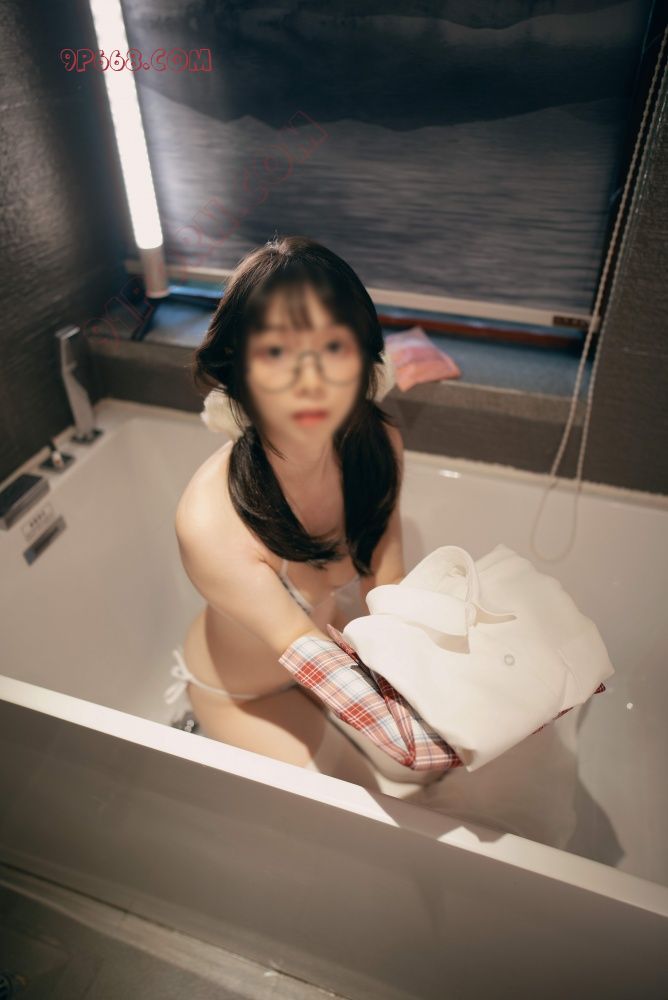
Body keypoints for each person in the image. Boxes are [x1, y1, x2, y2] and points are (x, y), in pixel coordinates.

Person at [171, 234, 417, 790]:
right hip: (244, 693)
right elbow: (311, 658)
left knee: (423, 782)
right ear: (238, 368)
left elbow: (390, 589)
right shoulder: (210, 520)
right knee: (361, 800)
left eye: (333, 347)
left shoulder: (378, 447)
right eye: (278, 352)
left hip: (326, 651)